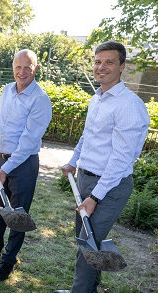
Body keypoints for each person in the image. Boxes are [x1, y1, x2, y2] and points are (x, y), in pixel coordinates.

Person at [55, 41, 150, 293]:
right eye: (98, 62)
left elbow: (121, 159)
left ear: (122, 67)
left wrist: (95, 197)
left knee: (89, 243)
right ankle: (88, 289)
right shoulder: (97, 99)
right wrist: (73, 162)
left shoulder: (128, 105)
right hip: (87, 180)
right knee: (87, 242)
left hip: (109, 186)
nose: (101, 67)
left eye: (109, 62)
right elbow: (87, 136)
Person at [0, 49, 52, 282]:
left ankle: (8, 261)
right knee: (1, 208)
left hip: (22, 164)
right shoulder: (8, 90)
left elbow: (29, 142)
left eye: (27, 67)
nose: (22, 72)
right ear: (13, 67)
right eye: (18, 67)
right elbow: (2, 120)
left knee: (17, 215)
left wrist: (6, 169)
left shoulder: (40, 100)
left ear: (35, 69)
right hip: (2, 159)